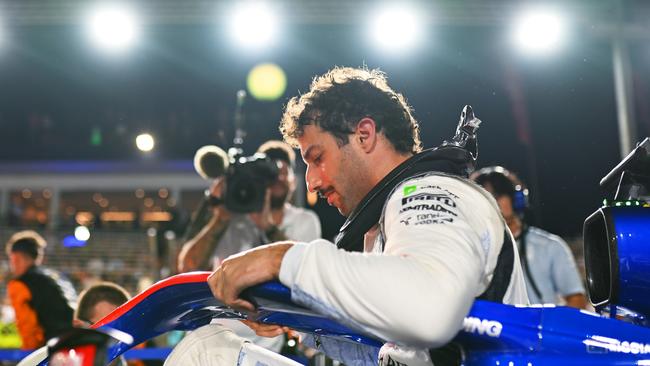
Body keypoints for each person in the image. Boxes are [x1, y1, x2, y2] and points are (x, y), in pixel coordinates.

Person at [166, 66, 530, 366]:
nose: (311, 181)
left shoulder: (426, 193)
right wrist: (284, 309)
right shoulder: (391, 216)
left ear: (365, 135)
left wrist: (283, 259)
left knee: (208, 352)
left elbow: (429, 311)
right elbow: (391, 353)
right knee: (212, 345)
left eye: (317, 158)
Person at [178, 140, 322, 273]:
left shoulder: (304, 220)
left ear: (294, 182)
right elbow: (189, 267)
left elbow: (305, 269)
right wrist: (220, 219)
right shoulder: (232, 217)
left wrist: (268, 228)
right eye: (271, 175)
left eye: (284, 173)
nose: (278, 178)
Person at [470, 166, 588, 308]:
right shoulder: (470, 249)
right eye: (484, 198)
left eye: (497, 195)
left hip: (536, 329)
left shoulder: (550, 246)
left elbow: (576, 300)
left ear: (516, 199)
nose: (491, 203)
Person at [6, 230, 76, 350]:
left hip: (51, 349)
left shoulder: (19, 285)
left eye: (11, 260)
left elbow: (27, 327)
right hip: (76, 343)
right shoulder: (58, 277)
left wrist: (28, 356)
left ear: (16, 258)